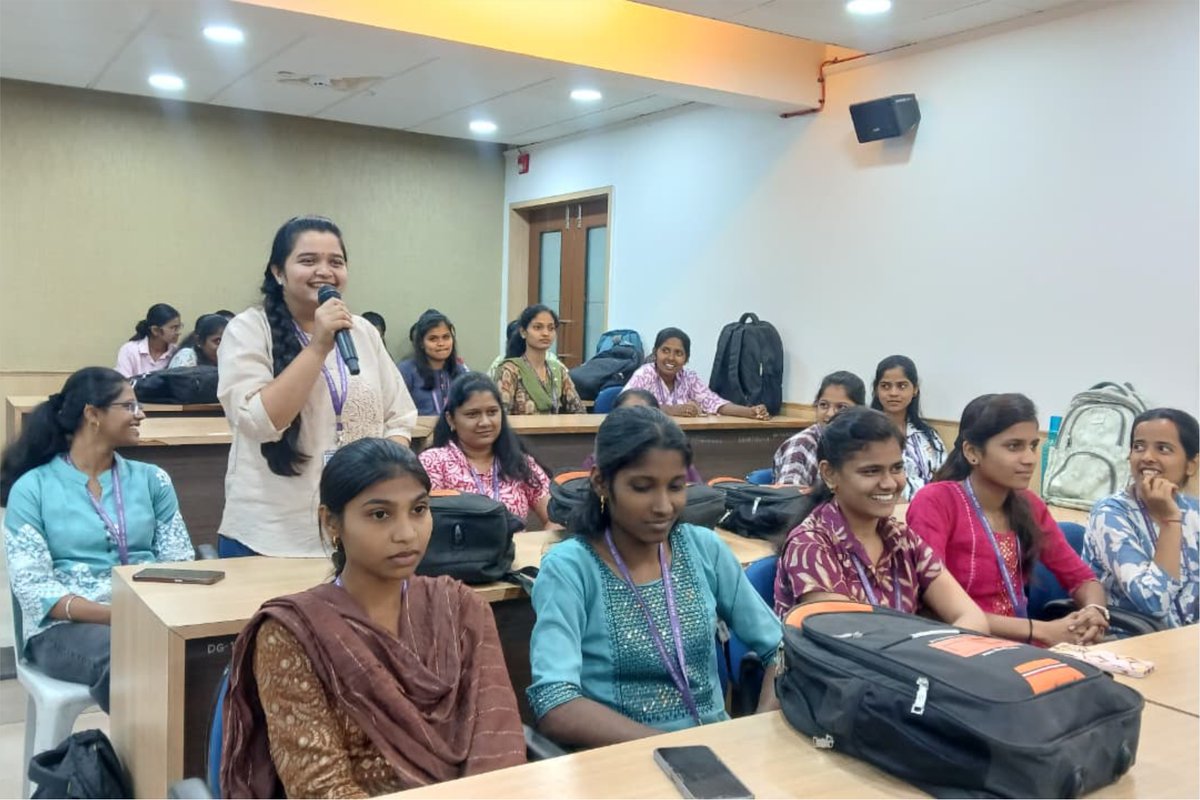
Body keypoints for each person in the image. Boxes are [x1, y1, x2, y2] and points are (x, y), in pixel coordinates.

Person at [220, 438, 525, 798]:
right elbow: (320, 789)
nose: (406, 534)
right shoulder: (293, 633)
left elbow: (497, 746)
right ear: (331, 522)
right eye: (380, 515)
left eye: (419, 510)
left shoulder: (462, 609)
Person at [527, 406, 782, 748]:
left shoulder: (703, 548)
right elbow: (555, 702)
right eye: (642, 487)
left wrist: (762, 730)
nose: (663, 506)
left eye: (676, 486)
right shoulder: (571, 568)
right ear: (601, 482)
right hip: (620, 761)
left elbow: (781, 649)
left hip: (716, 752)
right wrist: (675, 750)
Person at [216, 215, 417, 558]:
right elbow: (258, 422)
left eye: (335, 262)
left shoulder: (362, 332)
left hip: (357, 533)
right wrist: (318, 345)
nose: (324, 271)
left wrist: (378, 476)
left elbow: (399, 417)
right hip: (270, 537)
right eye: (308, 261)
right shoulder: (248, 329)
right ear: (278, 272)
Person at [1, 367, 194, 713]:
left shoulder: (153, 480)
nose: (141, 414)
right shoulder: (32, 489)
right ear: (92, 414)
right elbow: (33, 588)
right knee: (131, 659)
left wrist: (150, 613)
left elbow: (179, 562)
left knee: (213, 655)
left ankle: (195, 746)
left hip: (150, 615)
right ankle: (142, 749)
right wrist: (117, 616)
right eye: (129, 406)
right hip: (65, 626)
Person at [906, 393, 1110, 646]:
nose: (1030, 459)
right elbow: (933, 605)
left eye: (1033, 446)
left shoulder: (1028, 504)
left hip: (1022, 645)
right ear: (972, 452)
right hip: (960, 647)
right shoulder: (937, 501)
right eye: (1014, 446)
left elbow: (1082, 578)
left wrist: (1094, 611)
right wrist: (1041, 630)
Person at [773, 407, 987, 632]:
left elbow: (972, 617)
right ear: (829, 474)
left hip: (908, 653)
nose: (889, 483)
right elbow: (846, 640)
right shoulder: (810, 545)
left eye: (897, 468)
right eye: (871, 471)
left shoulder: (902, 538)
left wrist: (937, 650)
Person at [1083, 408, 1199, 628]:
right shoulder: (1110, 513)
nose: (1147, 457)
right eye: (1138, 447)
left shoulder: (1195, 512)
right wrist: (1170, 521)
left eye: (1163, 448)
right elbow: (1153, 602)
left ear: (1191, 465)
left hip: (1186, 640)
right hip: (1130, 636)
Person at [418, 372, 553, 527]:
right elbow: (422, 522)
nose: (485, 422)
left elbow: (556, 517)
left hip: (514, 543)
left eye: (492, 412)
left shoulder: (519, 462)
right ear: (451, 419)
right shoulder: (434, 462)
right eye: (472, 414)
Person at [621, 328, 769, 420]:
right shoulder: (645, 373)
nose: (671, 358)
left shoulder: (689, 378)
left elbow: (714, 403)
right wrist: (672, 410)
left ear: (686, 359)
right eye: (665, 351)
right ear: (655, 353)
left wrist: (750, 412)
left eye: (678, 353)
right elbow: (625, 405)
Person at [582, 389, 703, 484]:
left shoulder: (675, 459)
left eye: (674, 487)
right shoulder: (600, 460)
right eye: (641, 487)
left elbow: (698, 497)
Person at [869, 355, 946, 500]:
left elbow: (944, 479)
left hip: (928, 507)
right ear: (876, 389)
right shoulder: (864, 433)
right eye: (885, 386)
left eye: (902, 386)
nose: (893, 393)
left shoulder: (928, 436)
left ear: (915, 389)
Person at [773, 371, 866, 489]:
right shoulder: (800, 446)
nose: (830, 413)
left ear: (859, 411)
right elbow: (790, 495)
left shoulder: (864, 442)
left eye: (841, 407)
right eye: (823, 405)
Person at [495, 304, 584, 415]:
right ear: (523, 332)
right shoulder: (510, 370)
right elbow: (501, 415)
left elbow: (578, 411)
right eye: (538, 327)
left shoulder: (557, 370)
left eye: (551, 328)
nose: (546, 333)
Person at [398, 309, 469, 416]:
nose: (441, 343)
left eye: (446, 337)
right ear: (421, 343)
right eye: (433, 339)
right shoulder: (406, 371)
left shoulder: (460, 371)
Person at [114, 303, 182, 377]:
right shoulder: (130, 350)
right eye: (173, 328)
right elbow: (122, 381)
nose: (178, 332)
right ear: (155, 330)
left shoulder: (177, 353)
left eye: (179, 327)